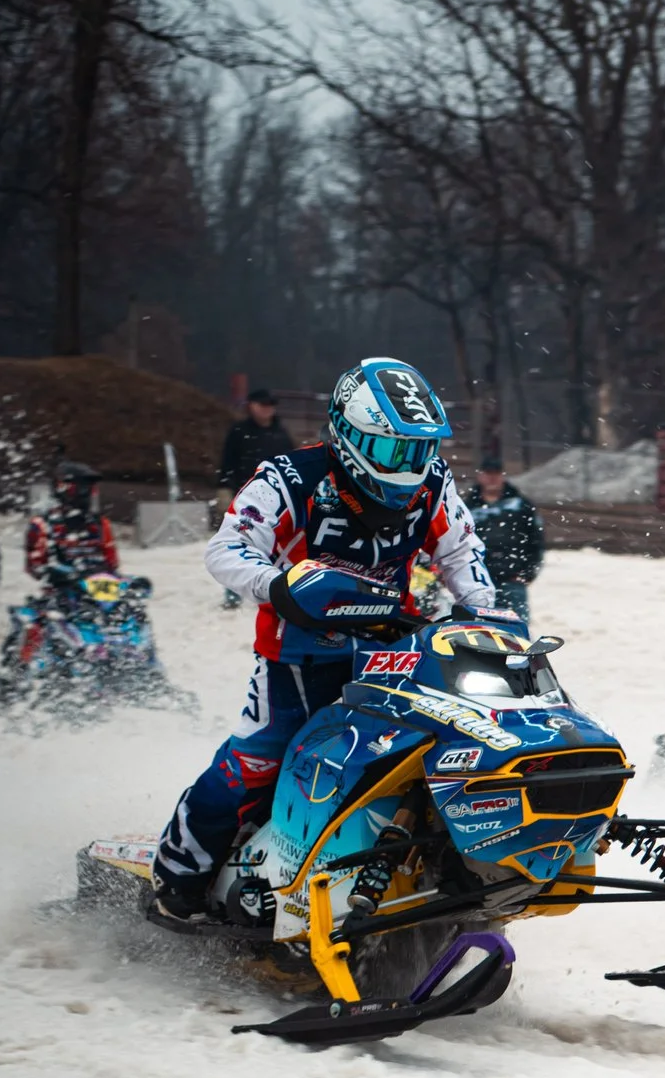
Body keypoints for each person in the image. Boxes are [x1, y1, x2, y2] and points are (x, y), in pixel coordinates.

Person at [151, 357, 497, 921]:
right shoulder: (290, 477)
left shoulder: (433, 481)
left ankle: (450, 871)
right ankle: (177, 877)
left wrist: (483, 610)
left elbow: (460, 551)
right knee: (255, 763)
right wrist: (277, 586)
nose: (408, 466)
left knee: (434, 753)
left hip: (394, 652)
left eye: (419, 449)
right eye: (392, 449)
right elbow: (226, 548)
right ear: (348, 433)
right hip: (298, 655)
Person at [216, 389, 294, 605]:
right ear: (251, 406)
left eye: (270, 406)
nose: (266, 410)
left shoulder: (281, 434)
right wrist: (224, 487)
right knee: (238, 542)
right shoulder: (239, 431)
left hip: (276, 499)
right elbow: (228, 461)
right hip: (244, 496)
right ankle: (233, 592)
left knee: (274, 544)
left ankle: (271, 588)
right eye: (262, 405)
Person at [465, 455, 546, 621]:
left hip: (513, 579)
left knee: (515, 630)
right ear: (480, 475)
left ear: (503, 475)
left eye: (496, 473)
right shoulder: (467, 507)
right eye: (488, 473)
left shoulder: (521, 505)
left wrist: (528, 573)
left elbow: (536, 540)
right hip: (477, 582)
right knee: (477, 630)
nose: (492, 478)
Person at [24, 462, 119, 588]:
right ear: (62, 487)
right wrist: (63, 574)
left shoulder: (100, 523)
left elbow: (112, 564)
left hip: (100, 591)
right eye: (81, 487)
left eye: (89, 488)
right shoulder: (43, 524)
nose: (87, 493)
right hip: (62, 593)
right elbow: (36, 568)